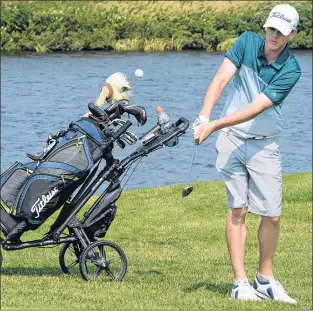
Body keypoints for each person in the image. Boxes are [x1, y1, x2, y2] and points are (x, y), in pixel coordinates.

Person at [192, 4, 301, 303]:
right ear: (265, 27)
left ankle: (264, 280)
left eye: (281, 31)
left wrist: (214, 124)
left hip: (264, 143)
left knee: (272, 215)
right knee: (237, 209)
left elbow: (256, 108)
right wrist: (203, 117)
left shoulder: (291, 69)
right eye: (271, 28)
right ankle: (240, 283)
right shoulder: (246, 42)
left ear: (292, 33)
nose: (274, 35)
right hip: (232, 141)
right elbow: (221, 79)